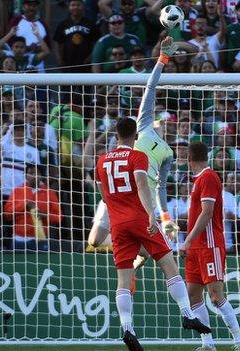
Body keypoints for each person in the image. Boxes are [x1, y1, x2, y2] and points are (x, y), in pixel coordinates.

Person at [94, 118, 210, 351]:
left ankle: (128, 329)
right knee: (169, 266)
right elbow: (141, 183)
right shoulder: (138, 156)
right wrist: (150, 214)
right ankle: (187, 314)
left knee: (123, 281)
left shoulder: (102, 160)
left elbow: (102, 193)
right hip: (138, 218)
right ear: (136, 136)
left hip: (117, 224)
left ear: (116, 135)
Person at [88, 37, 180, 258]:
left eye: (170, 121)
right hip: (116, 193)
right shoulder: (144, 125)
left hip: (139, 200)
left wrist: (166, 217)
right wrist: (162, 59)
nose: (165, 123)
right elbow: (150, 88)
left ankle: (134, 257)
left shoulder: (168, 152)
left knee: (150, 252)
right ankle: (131, 249)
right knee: (94, 241)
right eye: (163, 119)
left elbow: (161, 187)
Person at [179, 141, 240, 351]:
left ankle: (239, 343)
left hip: (209, 245)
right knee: (192, 295)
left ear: (189, 159)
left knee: (216, 296)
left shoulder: (208, 177)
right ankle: (207, 343)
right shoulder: (198, 180)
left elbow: (207, 213)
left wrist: (187, 239)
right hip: (195, 248)